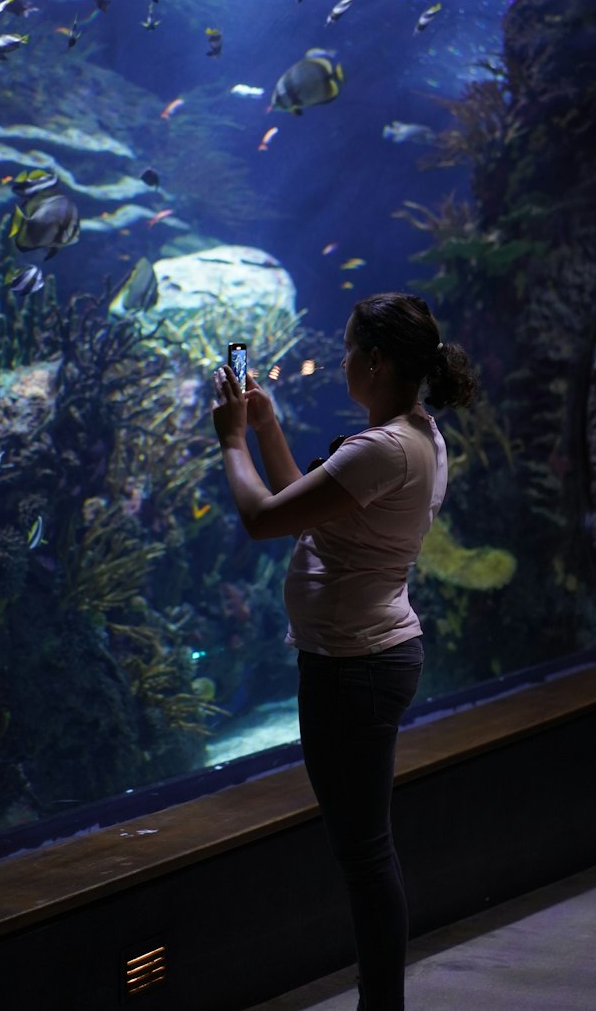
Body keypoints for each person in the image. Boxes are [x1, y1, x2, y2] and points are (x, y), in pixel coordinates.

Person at [211, 292, 478, 1011]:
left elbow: (267, 518)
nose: (341, 361)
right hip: (368, 656)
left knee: (364, 855)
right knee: (365, 849)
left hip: (354, 665)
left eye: (349, 347)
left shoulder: (383, 448)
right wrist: (267, 427)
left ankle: (381, 1006)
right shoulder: (416, 435)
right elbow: (312, 506)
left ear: (377, 360)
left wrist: (231, 440)